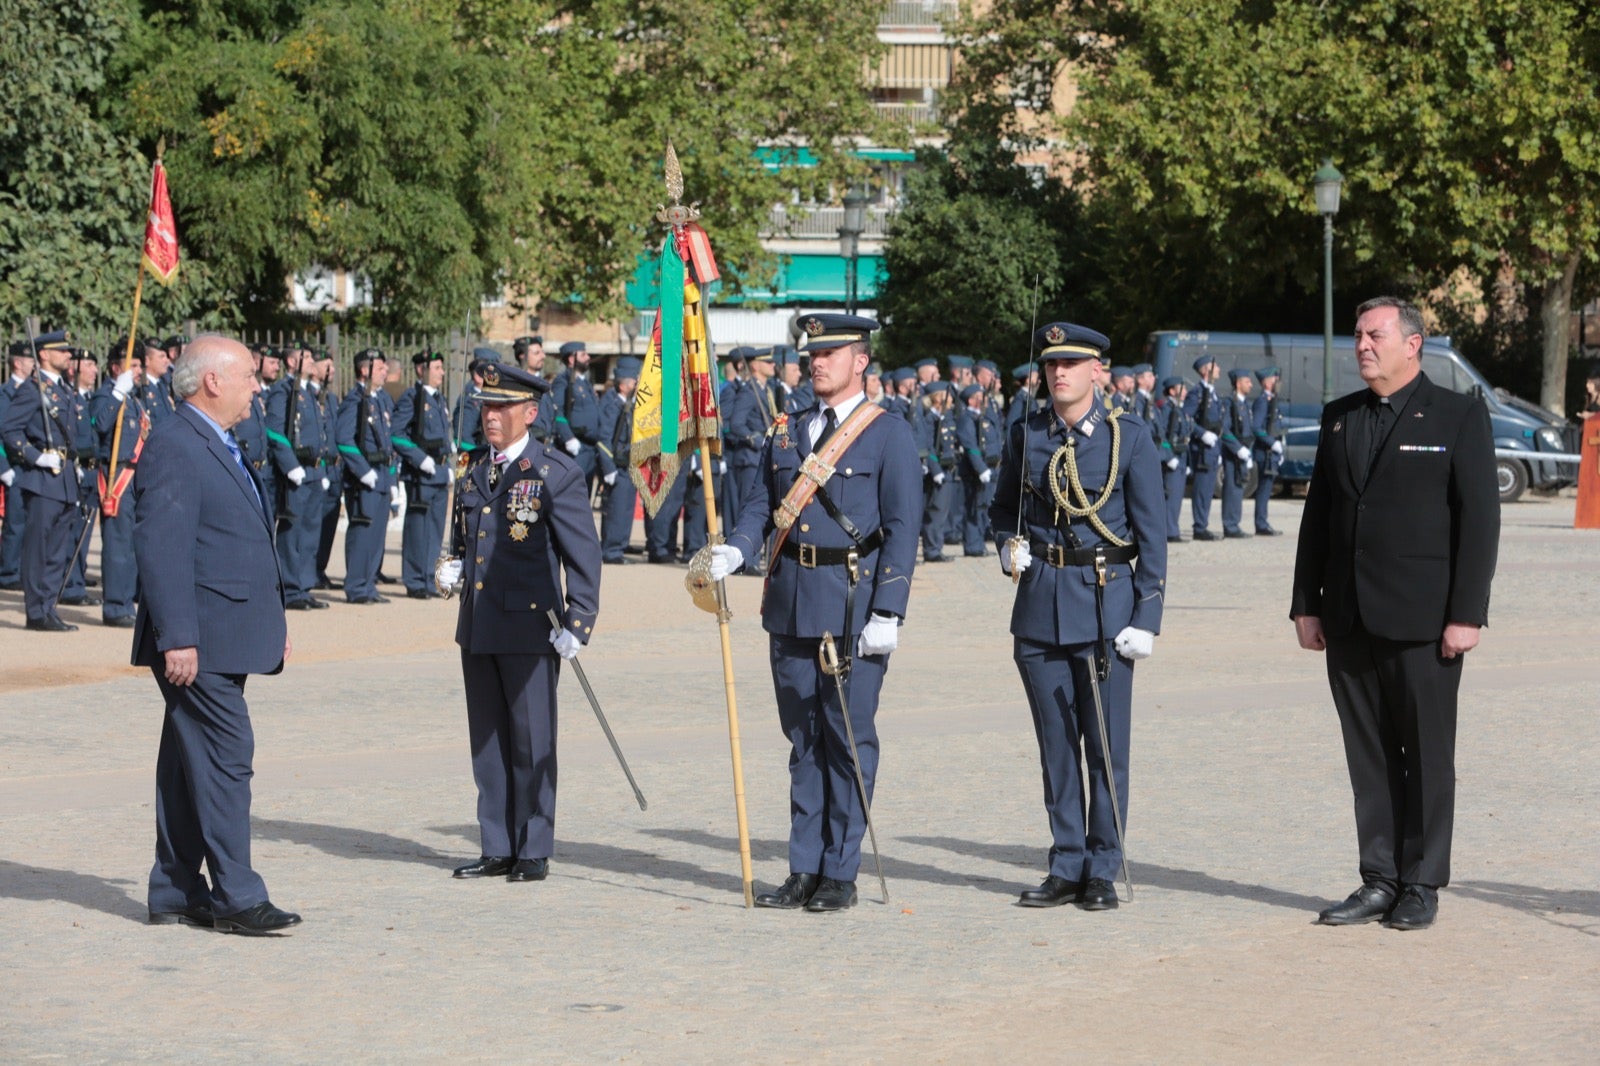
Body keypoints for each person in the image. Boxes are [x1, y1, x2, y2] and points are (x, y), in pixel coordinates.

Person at [1291, 296, 1499, 932]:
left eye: (1374, 334)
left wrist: (1467, 614)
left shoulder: (1459, 415)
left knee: (1428, 755)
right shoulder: (1339, 418)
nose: (1361, 345)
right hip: (1349, 617)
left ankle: (1422, 881)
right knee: (1369, 756)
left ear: (1413, 344)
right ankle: (1378, 877)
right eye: (1357, 335)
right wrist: (1306, 604)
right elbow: (1318, 520)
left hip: (1424, 622)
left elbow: (1480, 522)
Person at [709, 313, 922, 913]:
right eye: (812, 353)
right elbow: (762, 504)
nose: (817, 362)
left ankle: (840, 870)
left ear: (861, 361)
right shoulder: (788, 430)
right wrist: (738, 547)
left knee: (846, 738)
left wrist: (890, 610)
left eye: (832, 352)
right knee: (802, 740)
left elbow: (904, 529)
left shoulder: (887, 433)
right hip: (791, 600)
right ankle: (803, 865)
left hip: (852, 604)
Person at [988, 321, 1167, 911]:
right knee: (1057, 745)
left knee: (1105, 745)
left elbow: (1152, 533)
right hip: (1040, 604)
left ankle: (1102, 867)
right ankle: (1066, 863)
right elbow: (1002, 508)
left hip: (1103, 606)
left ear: (1099, 372)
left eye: (1070, 364)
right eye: (1050, 364)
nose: (1057, 373)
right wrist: (1007, 545)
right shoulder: (1027, 434)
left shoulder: (1128, 437)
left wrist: (1147, 614)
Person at [132, 334, 300, 935]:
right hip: (195, 638)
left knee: (187, 762)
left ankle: (175, 889)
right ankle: (237, 897)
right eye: (249, 376)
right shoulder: (177, 443)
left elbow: (236, 541)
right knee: (228, 757)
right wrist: (176, 635)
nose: (258, 388)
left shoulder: (218, 441)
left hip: (224, 631)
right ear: (212, 382)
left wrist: (270, 622)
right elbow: (162, 548)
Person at [435, 362, 601, 884]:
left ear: (528, 413)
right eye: (486, 406)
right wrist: (454, 565)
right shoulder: (472, 470)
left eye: (502, 408)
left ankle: (533, 846)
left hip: (531, 627)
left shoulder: (554, 473)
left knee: (531, 740)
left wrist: (579, 621)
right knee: (487, 741)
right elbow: (469, 541)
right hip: (480, 624)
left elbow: (583, 556)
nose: (491, 416)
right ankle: (497, 844)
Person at [0, 331, 83, 630]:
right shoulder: (33, 390)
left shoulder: (63, 389)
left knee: (57, 550)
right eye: (61, 350)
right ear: (44, 354)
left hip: (64, 479)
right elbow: (10, 430)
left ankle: (49, 607)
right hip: (42, 478)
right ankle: (36, 612)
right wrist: (36, 457)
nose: (68, 355)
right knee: (38, 548)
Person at [92, 339, 153, 627]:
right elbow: (101, 425)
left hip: (136, 476)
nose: (139, 371)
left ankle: (127, 601)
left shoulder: (135, 398)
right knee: (118, 545)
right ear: (116, 368)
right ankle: (115, 607)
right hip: (117, 476)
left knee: (132, 545)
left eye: (141, 365)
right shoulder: (108, 394)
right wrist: (117, 392)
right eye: (133, 365)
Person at [265, 345, 330, 610]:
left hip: (313, 471)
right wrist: (290, 465)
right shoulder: (284, 391)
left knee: (311, 533)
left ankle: (303, 586)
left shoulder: (308, 393)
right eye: (308, 357)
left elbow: (321, 436)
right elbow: (274, 430)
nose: (314, 361)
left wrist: (322, 469)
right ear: (292, 361)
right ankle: (290, 589)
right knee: (292, 534)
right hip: (297, 471)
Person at [393, 350, 453, 599]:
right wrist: (421, 460)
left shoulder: (439, 399)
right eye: (437, 367)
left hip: (438, 471)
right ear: (421, 369)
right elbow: (396, 434)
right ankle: (415, 579)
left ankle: (430, 577)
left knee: (436, 529)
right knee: (418, 528)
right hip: (421, 473)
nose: (441, 372)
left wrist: (447, 460)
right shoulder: (412, 397)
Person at [337, 349, 395, 604]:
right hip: (364, 480)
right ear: (365, 370)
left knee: (376, 536)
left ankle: (369, 585)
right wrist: (364, 471)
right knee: (362, 534)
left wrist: (391, 478)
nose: (385, 371)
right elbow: (344, 439)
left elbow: (388, 443)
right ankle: (357, 586)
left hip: (381, 475)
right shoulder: (355, 400)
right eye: (380, 367)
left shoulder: (380, 399)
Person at [0, 341, 39, 590]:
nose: (34, 364)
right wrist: (3, 468)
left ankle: (23, 570)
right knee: (15, 523)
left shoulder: (33, 389)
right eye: (29, 360)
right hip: (13, 464)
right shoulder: (5, 393)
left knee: (31, 523)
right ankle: (8, 572)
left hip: (31, 464)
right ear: (17, 362)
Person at [596, 357, 640, 563]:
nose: (638, 385)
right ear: (624, 385)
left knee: (626, 508)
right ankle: (611, 550)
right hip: (617, 466)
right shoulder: (612, 403)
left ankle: (619, 545)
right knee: (617, 509)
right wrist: (609, 467)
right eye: (635, 382)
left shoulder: (627, 403)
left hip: (628, 464)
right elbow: (604, 438)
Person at [548, 341, 601, 491]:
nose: (588, 357)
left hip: (590, 448)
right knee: (574, 493)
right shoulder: (563, 380)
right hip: (576, 448)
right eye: (583, 354)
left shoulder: (585, 383)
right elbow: (557, 410)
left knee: (585, 495)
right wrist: (568, 438)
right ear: (572, 359)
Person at [1183, 354, 1225, 540]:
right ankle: (1199, 527)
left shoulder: (1212, 393)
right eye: (1215, 366)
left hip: (1212, 448)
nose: (1218, 370)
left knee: (1208, 490)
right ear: (1205, 370)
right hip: (1202, 449)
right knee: (1202, 489)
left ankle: (1203, 524)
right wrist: (1202, 434)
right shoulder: (1197, 393)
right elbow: (1186, 419)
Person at [1153, 376, 1191, 542]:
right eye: (1181, 388)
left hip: (1180, 456)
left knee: (1176, 496)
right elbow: (1164, 435)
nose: (1185, 392)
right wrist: (1168, 457)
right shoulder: (1168, 408)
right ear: (1172, 391)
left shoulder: (1178, 408)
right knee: (1171, 496)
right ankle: (1169, 531)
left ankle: (1172, 528)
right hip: (1172, 457)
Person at [1219, 368, 1256, 538]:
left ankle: (1234, 523)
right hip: (1233, 453)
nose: (1251, 385)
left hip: (1243, 451)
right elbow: (1224, 429)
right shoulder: (1229, 403)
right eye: (1247, 381)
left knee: (1239, 487)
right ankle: (1230, 524)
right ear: (1238, 382)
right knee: (1232, 488)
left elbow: (1248, 431)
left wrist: (1247, 451)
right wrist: (1237, 448)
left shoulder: (1244, 404)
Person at [1250, 366, 1285, 535]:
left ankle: (1262, 521)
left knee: (1267, 488)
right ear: (1265, 382)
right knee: (1264, 489)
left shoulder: (1272, 401)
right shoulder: (1262, 401)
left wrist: (1280, 447)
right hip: (1265, 452)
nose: (1277, 382)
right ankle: (1261, 523)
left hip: (1271, 452)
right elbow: (1256, 427)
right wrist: (1272, 443)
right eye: (1274, 379)